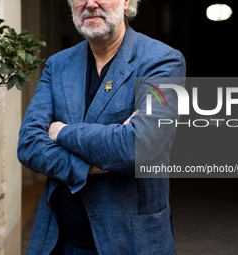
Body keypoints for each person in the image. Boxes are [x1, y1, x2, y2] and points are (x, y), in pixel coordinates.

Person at [17, 0, 186, 254]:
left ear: (127, 1)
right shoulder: (58, 64)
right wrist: (88, 167)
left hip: (130, 242)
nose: (90, 4)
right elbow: (29, 144)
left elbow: (136, 147)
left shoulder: (162, 62)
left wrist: (62, 131)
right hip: (60, 241)